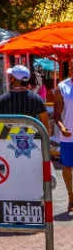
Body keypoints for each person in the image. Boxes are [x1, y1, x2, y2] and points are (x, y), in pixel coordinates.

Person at [0, 64, 50, 133]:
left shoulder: (1, 100)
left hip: (7, 141)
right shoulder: (37, 99)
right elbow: (46, 127)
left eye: (11, 76)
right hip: (32, 141)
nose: (9, 78)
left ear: (14, 79)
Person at [53, 75, 73, 211]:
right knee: (67, 168)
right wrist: (62, 127)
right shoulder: (62, 87)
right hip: (68, 136)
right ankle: (71, 197)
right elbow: (57, 114)